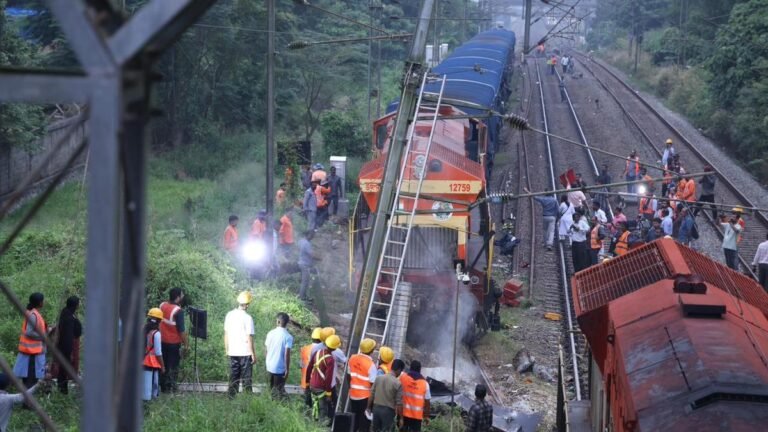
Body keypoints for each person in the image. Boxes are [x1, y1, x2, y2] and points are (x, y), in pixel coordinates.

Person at [224, 291, 256, 398]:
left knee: (234, 377)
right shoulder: (248, 318)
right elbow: (249, 337)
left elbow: (226, 333)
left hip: (232, 351)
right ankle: (247, 399)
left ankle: (231, 398)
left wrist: (227, 349)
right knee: (247, 379)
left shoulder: (229, 315)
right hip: (245, 352)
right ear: (247, 304)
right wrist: (253, 354)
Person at [13, 293, 46, 388]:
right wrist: (43, 337)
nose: (44, 302)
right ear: (40, 302)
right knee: (30, 380)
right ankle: (27, 402)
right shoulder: (34, 315)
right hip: (31, 353)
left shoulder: (32, 313)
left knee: (28, 379)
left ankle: (26, 401)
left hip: (31, 352)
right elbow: (29, 332)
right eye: (43, 300)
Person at [158, 288, 187, 394]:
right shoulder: (178, 311)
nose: (183, 297)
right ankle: (173, 388)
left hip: (161, 341)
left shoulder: (162, 306)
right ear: (178, 297)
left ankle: (163, 387)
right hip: (173, 344)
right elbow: (181, 330)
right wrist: (186, 344)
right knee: (173, 366)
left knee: (163, 364)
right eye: (182, 295)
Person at [306, 335, 338, 425]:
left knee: (314, 407)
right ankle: (319, 427)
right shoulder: (330, 359)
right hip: (321, 388)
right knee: (322, 410)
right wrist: (328, 393)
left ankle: (312, 425)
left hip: (313, 385)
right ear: (335, 348)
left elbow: (309, 368)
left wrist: (307, 383)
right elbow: (328, 378)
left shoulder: (318, 352)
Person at [347, 338, 378, 432]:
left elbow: (348, 376)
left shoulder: (352, 358)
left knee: (354, 420)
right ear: (372, 350)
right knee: (364, 423)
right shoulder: (371, 364)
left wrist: (351, 387)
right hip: (365, 397)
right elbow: (373, 385)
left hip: (353, 395)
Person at [54, 296, 82, 394]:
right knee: (64, 369)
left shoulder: (66, 312)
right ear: (76, 305)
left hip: (63, 346)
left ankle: (62, 389)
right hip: (66, 347)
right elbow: (67, 336)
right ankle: (62, 391)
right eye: (78, 303)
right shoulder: (69, 317)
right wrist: (69, 352)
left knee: (63, 369)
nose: (79, 305)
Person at [367, 358, 404, 432]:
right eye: (401, 371)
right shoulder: (397, 383)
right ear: (399, 370)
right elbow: (399, 403)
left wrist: (368, 408)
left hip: (376, 409)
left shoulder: (378, 378)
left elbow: (371, 395)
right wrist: (401, 418)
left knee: (375, 430)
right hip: (388, 412)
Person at [264, 312, 293, 399]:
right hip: (280, 368)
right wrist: (287, 369)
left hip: (269, 366)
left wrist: (267, 361)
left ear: (278, 321)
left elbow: (266, 349)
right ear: (286, 323)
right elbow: (287, 354)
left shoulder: (270, 333)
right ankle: (276, 404)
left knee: (270, 387)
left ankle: (271, 402)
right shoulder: (288, 337)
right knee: (278, 390)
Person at [399, 360, 431, 431]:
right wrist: (426, 416)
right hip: (417, 417)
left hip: (403, 414)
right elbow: (427, 402)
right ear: (420, 370)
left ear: (410, 368)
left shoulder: (403, 378)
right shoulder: (425, 384)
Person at [143, 308, 165, 401]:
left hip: (141, 359)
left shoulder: (143, 329)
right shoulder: (156, 334)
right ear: (159, 321)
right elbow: (158, 352)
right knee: (152, 383)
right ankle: (150, 401)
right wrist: (163, 366)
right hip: (151, 363)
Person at [300, 328, 323, 406]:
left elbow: (301, 365)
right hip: (316, 383)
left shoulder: (304, 349)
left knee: (307, 404)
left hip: (305, 382)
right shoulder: (322, 350)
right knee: (318, 406)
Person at [298, 230, 316, 302]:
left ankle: (304, 296)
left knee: (305, 281)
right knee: (305, 282)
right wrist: (320, 258)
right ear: (308, 235)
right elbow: (311, 254)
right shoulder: (306, 243)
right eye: (312, 235)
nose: (313, 237)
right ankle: (302, 298)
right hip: (305, 265)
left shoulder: (301, 241)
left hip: (301, 263)